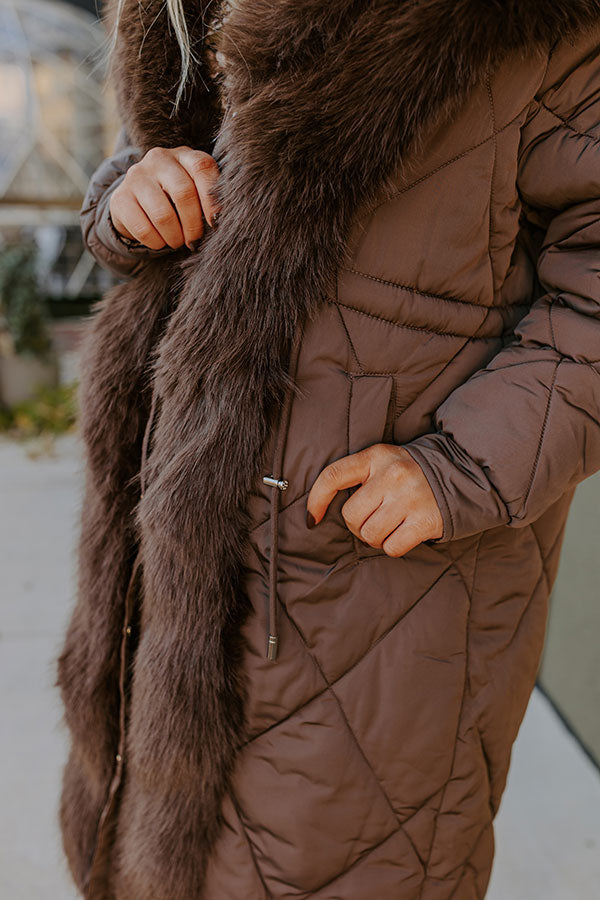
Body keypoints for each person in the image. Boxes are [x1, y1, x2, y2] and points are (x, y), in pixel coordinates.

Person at [55, 1, 600, 898]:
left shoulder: (530, 26)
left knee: (342, 862)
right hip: (170, 567)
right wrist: (130, 198)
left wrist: (464, 465)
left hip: (376, 580)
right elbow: (164, 159)